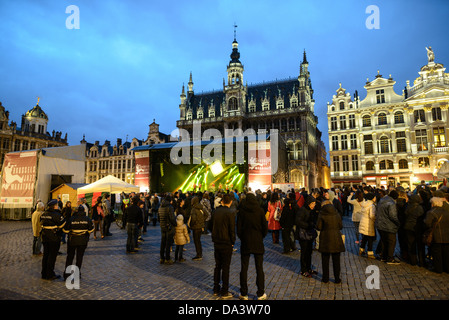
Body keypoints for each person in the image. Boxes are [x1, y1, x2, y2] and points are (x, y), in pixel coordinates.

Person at [237, 192, 268, 300]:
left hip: (246, 242)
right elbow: (265, 227)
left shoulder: (242, 211)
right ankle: (260, 292)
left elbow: (238, 229)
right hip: (258, 241)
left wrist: (243, 238)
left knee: (244, 268)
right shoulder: (260, 211)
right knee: (259, 268)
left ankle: (244, 292)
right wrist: (261, 237)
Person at [210, 194, 236, 299]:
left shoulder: (215, 212)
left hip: (217, 241)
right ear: (229, 202)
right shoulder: (230, 213)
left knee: (218, 265)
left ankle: (216, 288)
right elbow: (231, 229)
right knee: (225, 267)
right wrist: (232, 241)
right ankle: (224, 290)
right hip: (226, 242)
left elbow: (210, 226)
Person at [316, 199, 345, 284]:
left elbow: (319, 227)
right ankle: (337, 278)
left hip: (325, 238)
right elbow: (340, 226)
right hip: (336, 238)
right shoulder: (337, 214)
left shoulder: (321, 214)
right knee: (336, 260)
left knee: (325, 260)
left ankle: (325, 278)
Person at [62, 205, 94, 280]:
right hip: (82, 241)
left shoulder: (71, 219)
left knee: (70, 257)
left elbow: (65, 230)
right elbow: (91, 230)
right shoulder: (87, 219)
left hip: (72, 240)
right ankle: (77, 274)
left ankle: (67, 274)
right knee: (79, 258)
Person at [40, 199, 66, 280]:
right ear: (54, 206)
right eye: (57, 205)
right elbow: (63, 224)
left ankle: (44, 273)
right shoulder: (57, 214)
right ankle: (50, 274)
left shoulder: (44, 214)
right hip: (54, 238)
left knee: (46, 255)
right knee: (52, 256)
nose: (58, 206)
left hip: (45, 237)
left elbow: (41, 222)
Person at [424, 196, 449, 273]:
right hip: (447, 235)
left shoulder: (431, 212)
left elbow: (427, 223)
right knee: (446, 253)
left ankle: (438, 269)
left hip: (436, 235)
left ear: (433, 204)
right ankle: (447, 268)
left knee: (437, 253)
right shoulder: (446, 212)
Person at [295, 195, 318, 277]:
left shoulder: (312, 211)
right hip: (303, 235)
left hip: (310, 234)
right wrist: (308, 225)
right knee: (304, 252)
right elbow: (298, 221)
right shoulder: (302, 210)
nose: (313, 205)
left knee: (309, 252)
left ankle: (308, 268)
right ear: (308, 203)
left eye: (314, 204)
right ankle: (303, 270)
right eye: (312, 204)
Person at [376, 190, 400, 264]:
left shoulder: (382, 200)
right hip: (389, 225)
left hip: (380, 225)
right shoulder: (391, 203)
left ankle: (383, 256)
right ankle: (390, 258)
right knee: (391, 242)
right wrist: (398, 223)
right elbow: (393, 216)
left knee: (383, 241)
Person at [158, 195, 176, 264]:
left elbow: (158, 218)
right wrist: (175, 224)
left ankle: (162, 258)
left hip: (162, 226)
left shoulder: (160, 207)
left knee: (163, 242)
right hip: (169, 227)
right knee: (168, 243)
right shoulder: (170, 207)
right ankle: (167, 258)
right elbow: (172, 218)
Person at [359, 193, 377, 259]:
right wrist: (375, 220)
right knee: (370, 238)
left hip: (363, 222)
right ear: (372, 198)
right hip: (369, 224)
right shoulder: (372, 206)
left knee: (365, 237)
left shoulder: (364, 204)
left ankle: (361, 249)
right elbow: (372, 216)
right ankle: (370, 252)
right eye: (375, 197)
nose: (375, 198)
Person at [190, 196, 205, 261]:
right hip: (200, 227)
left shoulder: (194, 209)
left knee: (196, 241)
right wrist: (202, 220)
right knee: (198, 241)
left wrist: (191, 225)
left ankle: (198, 255)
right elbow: (207, 214)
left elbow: (193, 219)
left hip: (195, 227)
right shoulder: (201, 207)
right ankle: (200, 254)